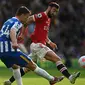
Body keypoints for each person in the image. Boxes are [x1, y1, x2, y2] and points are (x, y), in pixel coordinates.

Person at [3, 2, 80, 85]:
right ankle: (70, 77)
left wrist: (50, 42)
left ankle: (10, 81)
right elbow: (27, 21)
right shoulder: (42, 15)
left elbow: (44, 35)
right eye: (54, 10)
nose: (54, 13)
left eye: (56, 12)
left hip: (37, 45)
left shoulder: (48, 19)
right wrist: (22, 33)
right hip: (37, 45)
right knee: (57, 59)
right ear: (49, 8)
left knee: (28, 67)